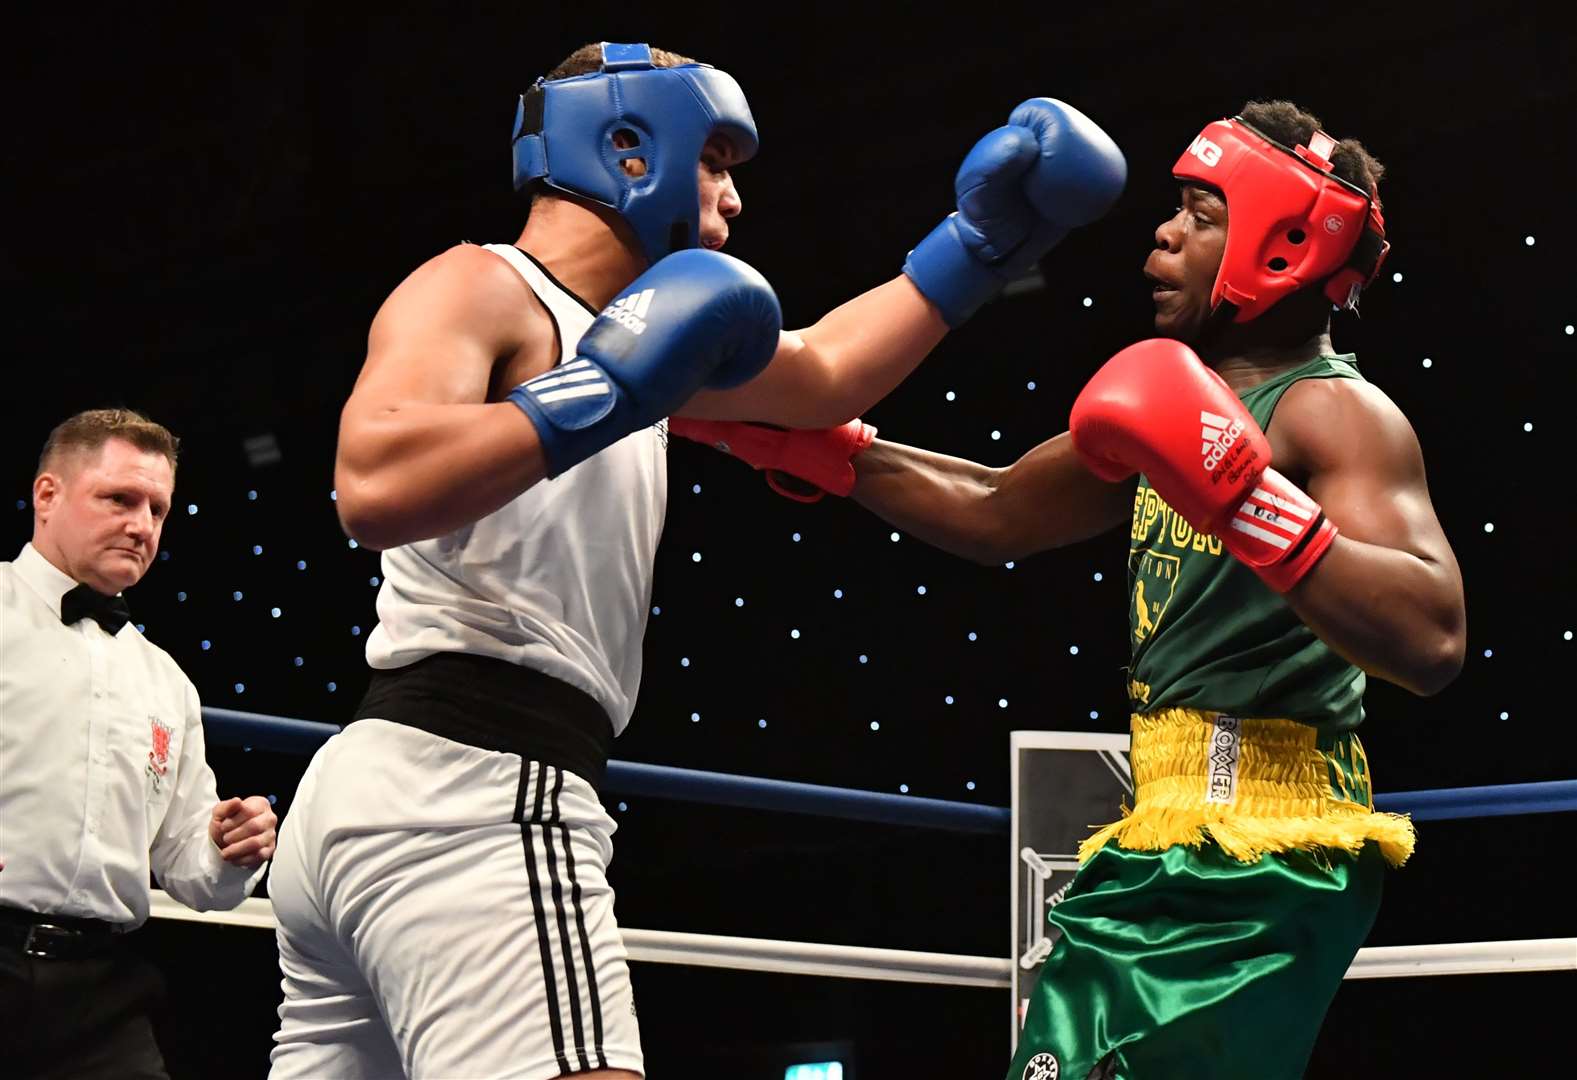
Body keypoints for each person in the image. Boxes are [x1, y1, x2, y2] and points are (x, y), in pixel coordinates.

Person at [265, 39, 1125, 1080]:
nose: (730, 198)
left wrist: (978, 243)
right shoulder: (481, 287)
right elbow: (373, 484)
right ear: (630, 148)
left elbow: (821, 377)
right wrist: (600, 396)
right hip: (476, 789)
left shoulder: (637, 342)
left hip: (382, 798)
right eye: (714, 162)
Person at [672, 99, 1467, 1079]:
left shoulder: (1334, 413)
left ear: (1283, 240)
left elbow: (1431, 637)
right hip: (1175, 828)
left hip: (1263, 838)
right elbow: (995, 506)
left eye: (1199, 211)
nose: (1163, 234)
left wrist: (1241, 497)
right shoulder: (1176, 405)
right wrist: (822, 453)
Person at [0, 408, 278, 1080]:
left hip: (102, 992)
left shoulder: (166, 682)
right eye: (118, 499)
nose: (140, 525)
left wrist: (229, 848)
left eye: (157, 509)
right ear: (48, 495)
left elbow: (192, 873)